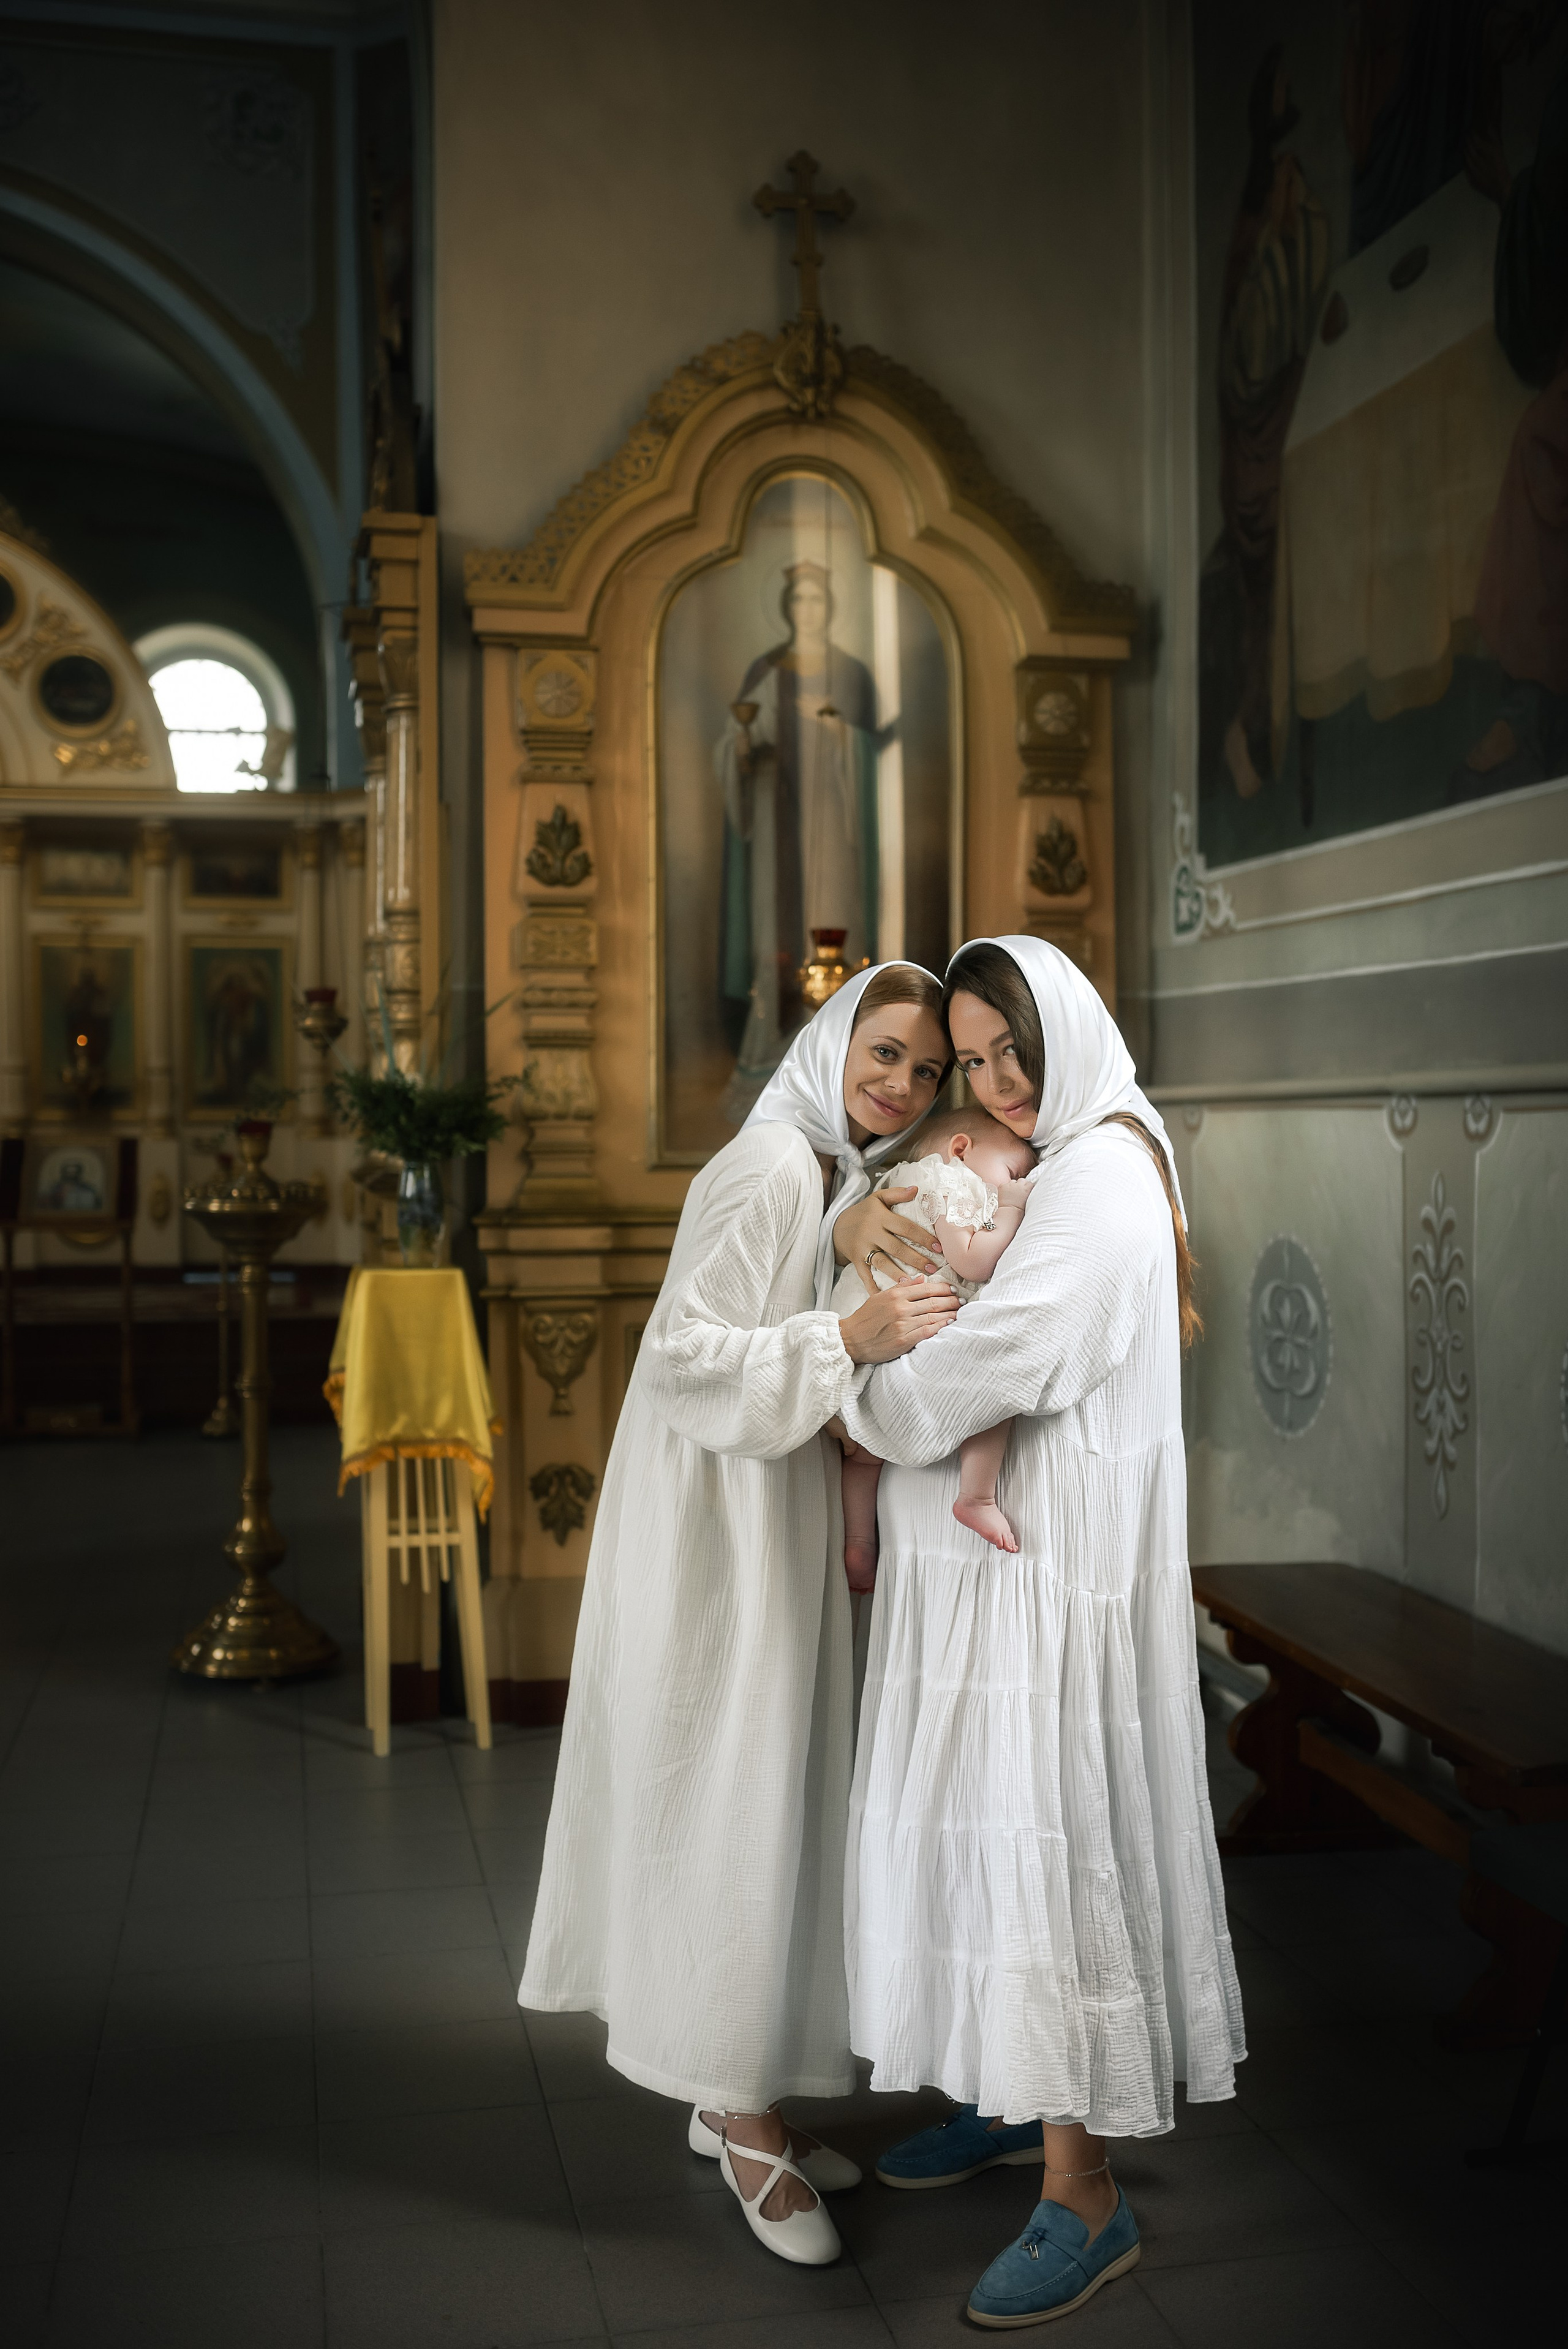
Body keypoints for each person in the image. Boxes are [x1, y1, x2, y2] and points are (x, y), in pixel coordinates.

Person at [832, 937, 1245, 2331]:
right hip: (971, 1576)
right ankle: (1007, 2097)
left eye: (1016, 1051)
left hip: (1040, 1580)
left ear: (1065, 1026)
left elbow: (989, 1357)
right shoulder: (1044, 1149)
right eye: (973, 1059)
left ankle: (1084, 2190)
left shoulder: (1104, 1171)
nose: (998, 1084)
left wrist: (856, 1389)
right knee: (966, 1828)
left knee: (1039, 1841)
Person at [519, 962, 958, 2269]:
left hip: (758, 1514)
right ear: (835, 1043)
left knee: (760, 1792)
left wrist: (840, 1274)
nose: (903, 1085)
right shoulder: (772, 1164)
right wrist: (855, 1340)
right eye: (886, 1054)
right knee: (730, 1792)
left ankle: (735, 2084)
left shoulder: (815, 1170)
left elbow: (766, 1312)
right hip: (714, 1530)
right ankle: (737, 2107)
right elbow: (683, 1354)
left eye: (925, 1072)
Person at [828, 1105, 1038, 1580]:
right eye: (1014, 1170)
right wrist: (1011, 1206)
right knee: (994, 1392)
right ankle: (976, 1496)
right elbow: (972, 1260)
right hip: (886, 1342)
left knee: (862, 1461)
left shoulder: (899, 1184)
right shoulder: (948, 1182)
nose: (1018, 1181)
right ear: (961, 1149)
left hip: (849, 1362)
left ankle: (859, 1545)